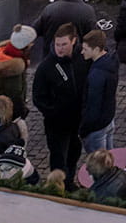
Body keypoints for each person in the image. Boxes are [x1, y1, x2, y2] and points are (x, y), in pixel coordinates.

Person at [33, 25, 87, 181]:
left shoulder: (82, 59)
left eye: (64, 44)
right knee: (58, 158)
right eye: (57, 44)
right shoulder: (46, 67)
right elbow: (38, 98)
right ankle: (58, 187)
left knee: (74, 153)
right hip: (56, 125)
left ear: (74, 41)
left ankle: (69, 182)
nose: (60, 49)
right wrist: (54, 112)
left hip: (77, 122)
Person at [78, 30, 119, 153]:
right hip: (108, 119)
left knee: (99, 166)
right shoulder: (111, 61)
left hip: (97, 128)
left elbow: (93, 107)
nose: (82, 52)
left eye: (85, 49)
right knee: (111, 158)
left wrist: (83, 130)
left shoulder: (96, 75)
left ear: (96, 49)